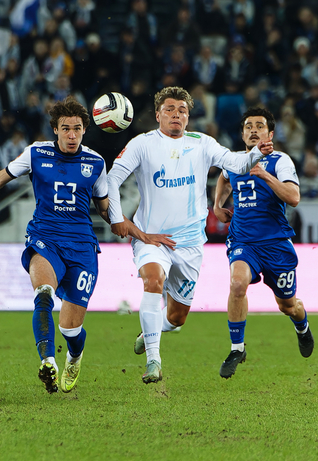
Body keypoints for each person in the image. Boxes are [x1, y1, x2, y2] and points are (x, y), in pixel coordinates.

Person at [0, 98, 171, 394]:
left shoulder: (95, 163)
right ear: (55, 129)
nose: (72, 135)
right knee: (43, 293)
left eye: (77, 129)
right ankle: (48, 361)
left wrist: (139, 233)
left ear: (84, 130)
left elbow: (108, 212)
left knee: (70, 329)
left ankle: (74, 356)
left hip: (81, 248)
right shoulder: (36, 153)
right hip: (45, 238)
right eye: (66, 129)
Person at [107, 86, 273, 384]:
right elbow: (112, 179)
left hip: (190, 243)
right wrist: (119, 219)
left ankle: (151, 331)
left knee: (177, 317)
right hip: (152, 238)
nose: (176, 115)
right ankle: (153, 361)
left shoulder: (201, 143)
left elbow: (234, 163)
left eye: (182, 110)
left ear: (188, 116)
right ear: (158, 114)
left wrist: (254, 154)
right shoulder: (141, 144)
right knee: (153, 282)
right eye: (170, 109)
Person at [212, 108, 312, 379]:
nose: (253, 130)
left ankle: (302, 326)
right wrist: (218, 204)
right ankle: (237, 347)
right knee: (237, 284)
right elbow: (223, 176)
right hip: (244, 240)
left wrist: (266, 176)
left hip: (276, 244)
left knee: (288, 305)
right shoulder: (234, 160)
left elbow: (294, 197)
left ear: (270, 133)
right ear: (243, 133)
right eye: (248, 126)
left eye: (259, 126)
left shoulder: (280, 161)